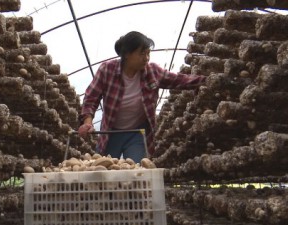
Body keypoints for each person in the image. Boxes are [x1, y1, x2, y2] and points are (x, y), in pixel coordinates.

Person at [78, 31, 206, 163]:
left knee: (136, 170)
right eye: (142, 53)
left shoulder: (152, 72)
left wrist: (205, 80)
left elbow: (179, 80)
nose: (146, 58)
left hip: (137, 132)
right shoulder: (107, 70)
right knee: (106, 171)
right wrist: (88, 122)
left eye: (148, 53)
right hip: (111, 132)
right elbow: (91, 98)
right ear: (127, 54)